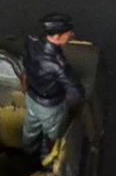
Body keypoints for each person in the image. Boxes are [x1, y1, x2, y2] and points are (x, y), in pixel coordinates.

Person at [20, 13, 86, 155]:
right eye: (68, 33)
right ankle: (48, 157)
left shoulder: (32, 41)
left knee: (30, 127)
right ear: (57, 37)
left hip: (31, 97)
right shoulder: (58, 64)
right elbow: (77, 93)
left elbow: (25, 62)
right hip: (50, 107)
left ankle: (28, 150)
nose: (72, 35)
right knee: (53, 133)